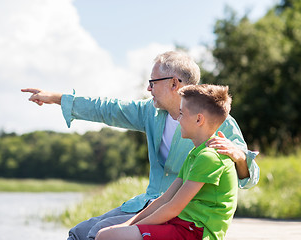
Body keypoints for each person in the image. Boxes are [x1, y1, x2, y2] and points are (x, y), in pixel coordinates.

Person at [21, 51, 259, 240]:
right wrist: (57, 98)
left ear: (174, 83)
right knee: (79, 233)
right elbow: (108, 108)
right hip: (149, 202)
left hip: (185, 216)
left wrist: (239, 157)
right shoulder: (150, 112)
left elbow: (250, 178)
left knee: (99, 234)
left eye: (153, 82)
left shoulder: (217, 120)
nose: (148, 89)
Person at [95, 84, 237, 240]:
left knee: (107, 236)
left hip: (195, 232)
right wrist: (127, 224)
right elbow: (164, 199)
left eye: (182, 113)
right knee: (110, 233)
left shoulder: (210, 157)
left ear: (199, 119)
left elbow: (173, 208)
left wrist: (132, 228)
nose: (177, 118)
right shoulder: (196, 154)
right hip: (182, 224)